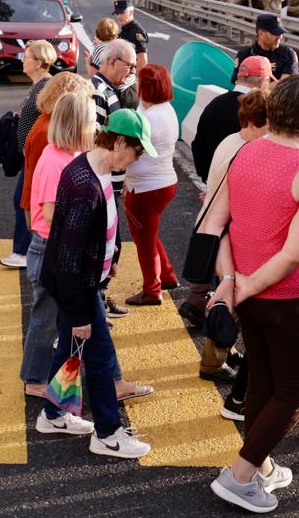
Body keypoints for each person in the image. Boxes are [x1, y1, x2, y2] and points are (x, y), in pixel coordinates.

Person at [204, 77, 299, 514]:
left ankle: (259, 464)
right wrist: (246, 285)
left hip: (249, 294)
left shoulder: (247, 150)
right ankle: (240, 476)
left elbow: (217, 224)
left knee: (262, 382)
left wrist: (233, 283)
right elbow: (294, 253)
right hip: (291, 299)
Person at [35, 108, 157, 459]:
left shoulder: (94, 170)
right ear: (119, 143)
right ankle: (108, 433)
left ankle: (53, 414)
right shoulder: (85, 184)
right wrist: (79, 314)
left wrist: (111, 256)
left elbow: (103, 224)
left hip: (82, 281)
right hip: (79, 286)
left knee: (68, 348)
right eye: (136, 151)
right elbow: (69, 257)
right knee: (100, 358)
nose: (135, 160)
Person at [20, 81, 95, 397]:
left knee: (57, 319)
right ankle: (34, 380)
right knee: (45, 320)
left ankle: (45, 376)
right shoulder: (55, 161)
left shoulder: (68, 154)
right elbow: (50, 214)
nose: (95, 127)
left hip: (58, 248)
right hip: (50, 248)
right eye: (91, 121)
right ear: (76, 125)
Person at [194, 89, 269, 396]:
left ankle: (222, 351)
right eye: (269, 125)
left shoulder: (230, 141)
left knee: (225, 298)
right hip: (226, 235)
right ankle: (213, 361)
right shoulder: (248, 151)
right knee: (228, 301)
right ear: (255, 123)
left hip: (213, 229)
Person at [122, 64, 181, 306]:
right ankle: (166, 275)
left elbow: (128, 151)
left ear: (144, 87)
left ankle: (152, 289)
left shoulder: (147, 118)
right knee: (149, 234)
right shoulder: (164, 109)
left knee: (144, 242)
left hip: (145, 188)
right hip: (164, 181)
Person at [89, 38, 138, 318]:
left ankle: (99, 298)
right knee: (107, 244)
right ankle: (97, 301)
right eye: (128, 65)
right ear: (111, 61)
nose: (131, 71)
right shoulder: (99, 92)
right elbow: (96, 140)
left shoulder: (109, 90)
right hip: (103, 181)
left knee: (111, 243)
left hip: (110, 180)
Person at [3, 39, 57, 270]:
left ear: (39, 62)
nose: (22, 61)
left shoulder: (46, 86)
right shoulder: (39, 84)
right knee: (24, 200)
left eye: (26, 57)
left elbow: (49, 120)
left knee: (25, 201)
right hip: (31, 156)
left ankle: (25, 251)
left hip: (38, 157)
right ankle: (27, 250)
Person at [193, 56, 274, 181]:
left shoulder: (215, 103)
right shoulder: (262, 111)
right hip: (245, 183)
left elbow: (198, 143)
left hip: (213, 179)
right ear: (263, 81)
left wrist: (209, 178)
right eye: (269, 81)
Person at [230, 12, 298, 85]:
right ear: (261, 34)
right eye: (275, 33)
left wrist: (256, 84)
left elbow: (286, 84)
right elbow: (238, 81)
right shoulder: (244, 55)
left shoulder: (288, 54)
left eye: (281, 33)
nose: (280, 37)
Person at [114, 0, 150, 70]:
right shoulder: (124, 29)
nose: (119, 16)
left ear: (131, 12)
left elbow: (142, 60)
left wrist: (136, 76)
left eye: (122, 12)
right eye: (117, 13)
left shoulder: (138, 32)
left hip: (131, 74)